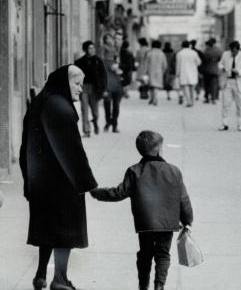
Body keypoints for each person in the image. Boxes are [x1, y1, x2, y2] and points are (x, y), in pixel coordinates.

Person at [19, 65, 98, 290]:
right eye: (77, 83)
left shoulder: (41, 101)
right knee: (65, 231)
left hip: (40, 180)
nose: (81, 89)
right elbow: (73, 151)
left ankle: (41, 274)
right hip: (62, 181)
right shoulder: (61, 107)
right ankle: (60, 279)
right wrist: (88, 183)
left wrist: (28, 180)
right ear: (65, 81)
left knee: (47, 228)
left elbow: (25, 145)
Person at [91, 130, 193, 290]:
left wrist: (96, 192)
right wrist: (188, 221)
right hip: (167, 223)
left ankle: (143, 285)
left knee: (145, 254)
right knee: (163, 254)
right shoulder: (174, 171)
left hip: (145, 222)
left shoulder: (134, 171)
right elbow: (184, 199)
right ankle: (159, 286)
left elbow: (118, 193)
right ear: (159, 149)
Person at [75, 41, 107, 137]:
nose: (92, 50)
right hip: (83, 87)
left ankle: (95, 121)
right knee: (84, 109)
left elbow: (103, 75)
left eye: (93, 48)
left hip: (95, 88)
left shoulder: (98, 61)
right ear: (85, 50)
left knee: (95, 111)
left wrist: (104, 89)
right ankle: (87, 131)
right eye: (90, 48)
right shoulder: (79, 62)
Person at [218, 41, 241, 131]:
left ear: (238, 49)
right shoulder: (225, 54)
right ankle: (224, 123)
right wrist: (222, 68)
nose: (233, 53)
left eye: (234, 51)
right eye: (231, 51)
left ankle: (240, 124)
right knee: (225, 104)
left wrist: (239, 72)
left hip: (239, 82)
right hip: (228, 81)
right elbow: (220, 63)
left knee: (240, 104)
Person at [102, 32, 124, 133]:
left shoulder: (120, 51)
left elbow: (126, 65)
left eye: (114, 39)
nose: (113, 41)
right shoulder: (104, 50)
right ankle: (108, 122)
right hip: (107, 80)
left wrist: (120, 68)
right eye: (111, 39)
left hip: (117, 80)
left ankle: (114, 124)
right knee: (107, 102)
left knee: (116, 104)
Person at [176, 41, 201, 107]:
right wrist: (193, 65)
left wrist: (177, 73)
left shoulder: (180, 53)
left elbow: (178, 64)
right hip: (193, 71)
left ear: (182, 46)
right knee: (192, 88)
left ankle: (188, 101)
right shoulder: (194, 53)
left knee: (185, 87)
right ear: (189, 45)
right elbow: (199, 62)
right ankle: (192, 101)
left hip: (183, 72)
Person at [145, 40, 167, 106]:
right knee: (156, 86)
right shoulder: (162, 54)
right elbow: (165, 65)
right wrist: (163, 71)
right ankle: (155, 98)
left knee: (151, 86)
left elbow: (146, 64)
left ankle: (152, 98)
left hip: (150, 71)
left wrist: (146, 72)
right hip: (159, 71)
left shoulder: (149, 53)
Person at [202, 38, 222, 104]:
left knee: (207, 85)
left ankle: (207, 98)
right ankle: (213, 99)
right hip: (215, 70)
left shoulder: (205, 51)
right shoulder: (218, 50)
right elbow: (220, 59)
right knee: (214, 85)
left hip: (206, 70)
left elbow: (203, 60)